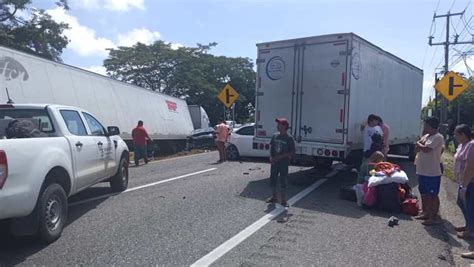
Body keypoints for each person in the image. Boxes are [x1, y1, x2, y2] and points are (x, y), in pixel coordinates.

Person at [414, 117, 444, 225]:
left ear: (431, 126)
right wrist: (419, 144)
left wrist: (419, 144)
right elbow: (417, 148)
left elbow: (427, 149)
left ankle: (433, 216)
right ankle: (425, 212)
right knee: (423, 192)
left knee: (432, 194)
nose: (425, 127)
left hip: (432, 171)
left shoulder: (438, 137)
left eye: (426, 125)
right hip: (422, 169)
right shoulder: (426, 136)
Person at [266, 118, 296, 208]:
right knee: (273, 179)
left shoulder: (289, 138)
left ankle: (283, 200)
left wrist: (281, 156)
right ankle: (274, 197)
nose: (277, 126)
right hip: (274, 162)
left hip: (283, 163)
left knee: (283, 180)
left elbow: (292, 152)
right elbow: (271, 147)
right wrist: (271, 157)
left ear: (284, 126)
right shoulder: (275, 136)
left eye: (279, 124)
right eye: (277, 124)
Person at [451, 125, 474, 240]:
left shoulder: (471, 145)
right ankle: (469, 225)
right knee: (461, 202)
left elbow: (470, 167)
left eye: (456, 134)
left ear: (463, 134)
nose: (454, 136)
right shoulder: (462, 146)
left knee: (470, 206)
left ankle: (471, 230)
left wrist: (464, 186)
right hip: (463, 181)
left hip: (469, 182)